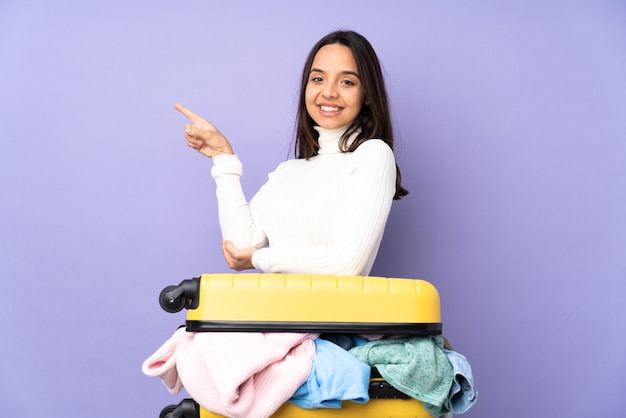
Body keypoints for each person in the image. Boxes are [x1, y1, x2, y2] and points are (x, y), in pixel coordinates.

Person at [175, 30, 407, 277]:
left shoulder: (373, 155)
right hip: (268, 314)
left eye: (347, 82)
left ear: (368, 95)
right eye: (318, 79)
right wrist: (223, 158)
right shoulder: (289, 171)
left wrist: (258, 258)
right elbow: (239, 248)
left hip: (329, 315)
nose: (328, 92)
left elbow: (345, 265)